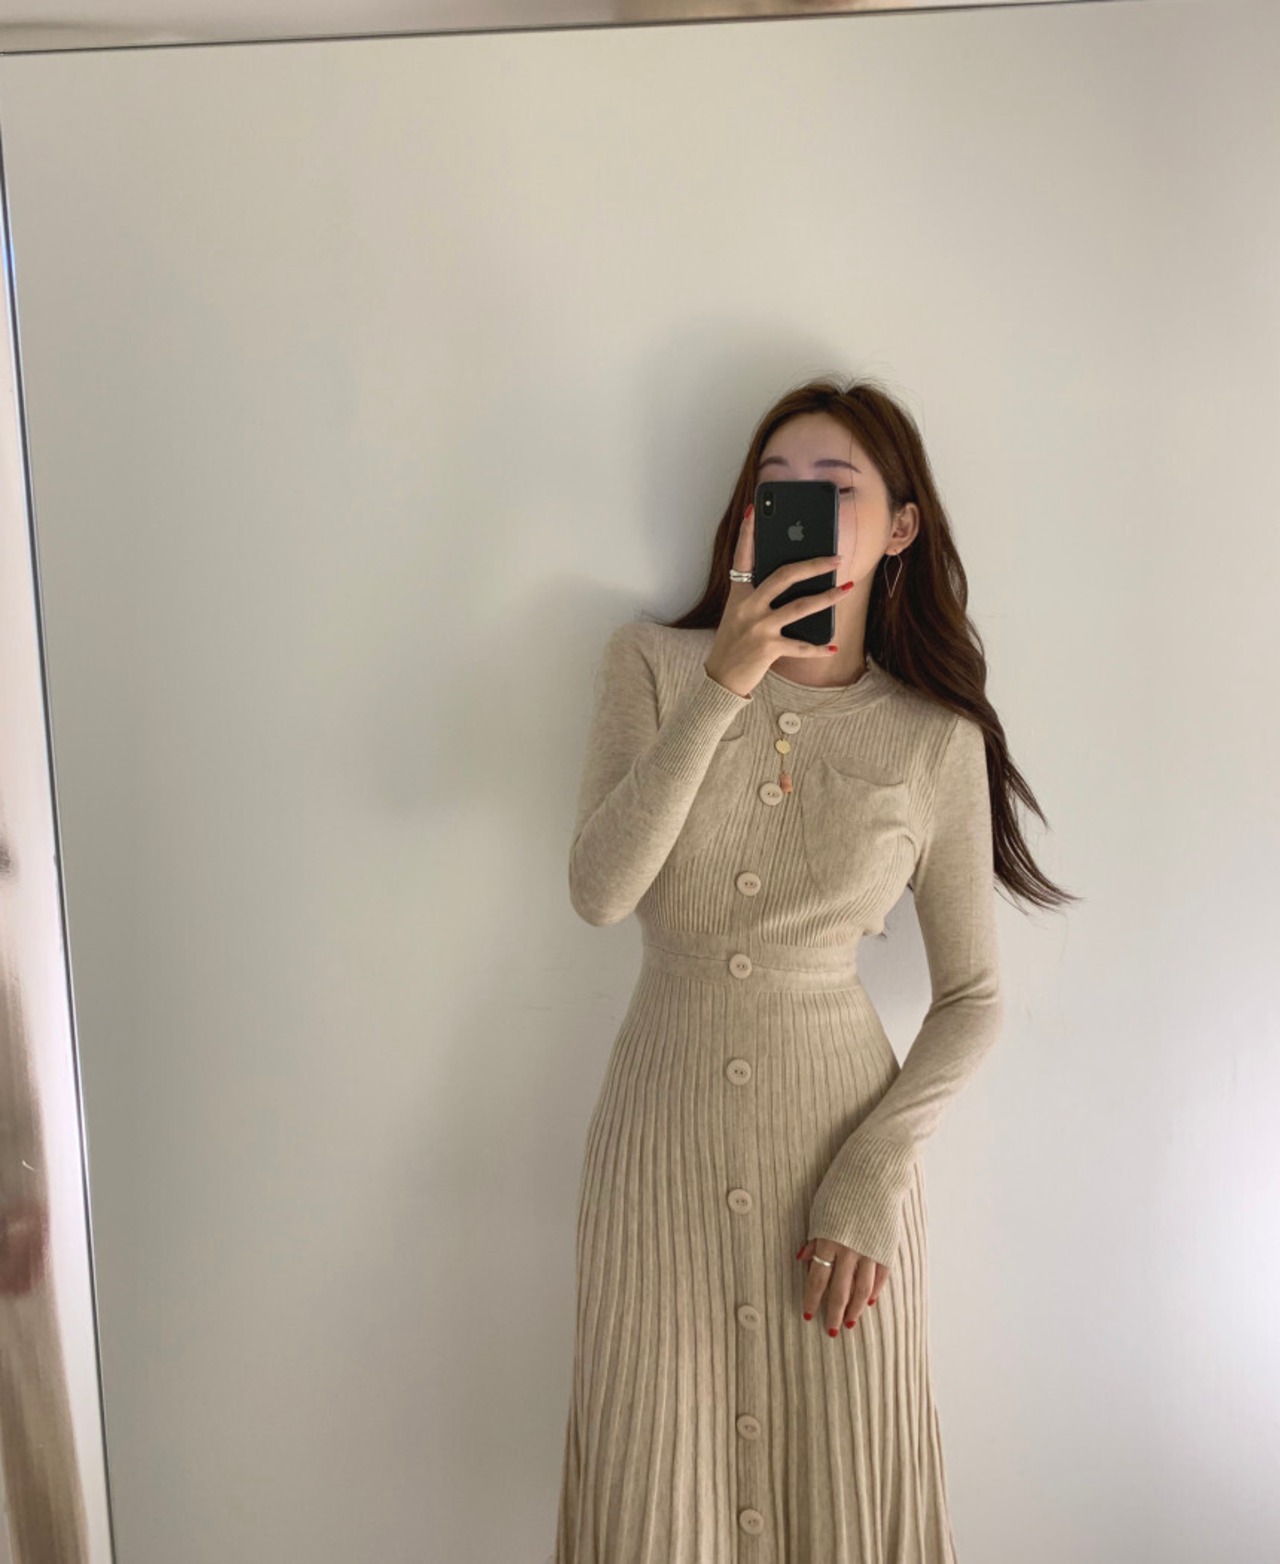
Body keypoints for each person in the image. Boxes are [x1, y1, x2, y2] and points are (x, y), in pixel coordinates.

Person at [554, 377, 1074, 1563]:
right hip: (660, 1153)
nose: (795, 506)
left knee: (840, 1477)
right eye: (771, 488)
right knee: (654, 1476)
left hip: (834, 1170)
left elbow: (973, 998)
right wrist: (722, 687)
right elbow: (598, 891)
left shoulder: (933, 738)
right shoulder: (650, 664)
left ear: (900, 526)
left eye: (833, 489)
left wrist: (872, 1171)